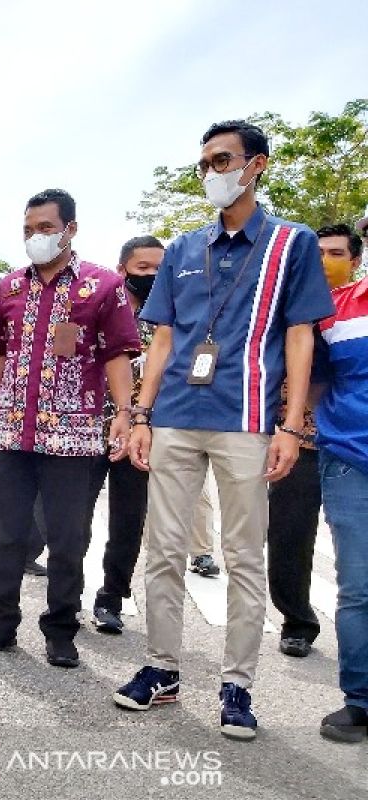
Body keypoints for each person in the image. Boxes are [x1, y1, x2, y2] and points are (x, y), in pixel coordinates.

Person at [115, 120, 334, 741]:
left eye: (223, 160)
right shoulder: (184, 249)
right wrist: (140, 414)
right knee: (163, 551)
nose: (213, 172)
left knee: (243, 557)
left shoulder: (292, 244)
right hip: (176, 419)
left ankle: (237, 687)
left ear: (256, 165)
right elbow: (161, 337)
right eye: (205, 164)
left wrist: (291, 424)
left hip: (246, 423)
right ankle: (161, 671)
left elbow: (299, 336)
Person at [0, 189, 140, 669]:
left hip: (72, 437)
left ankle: (61, 628)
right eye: (28, 230)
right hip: (11, 432)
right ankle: (1, 622)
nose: (36, 237)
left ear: (71, 229)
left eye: (46, 228)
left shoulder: (101, 286)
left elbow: (116, 355)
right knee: (7, 534)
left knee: (68, 537)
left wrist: (125, 414)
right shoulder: (9, 288)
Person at [268, 223, 362, 658]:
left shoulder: (354, 309)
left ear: (356, 262)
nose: (326, 261)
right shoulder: (288, 307)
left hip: (344, 442)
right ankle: (297, 619)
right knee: (289, 533)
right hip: (296, 440)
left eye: (337, 253)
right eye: (319, 252)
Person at [85, 235, 164, 634]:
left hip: (142, 435)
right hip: (89, 431)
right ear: (123, 270)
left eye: (158, 269)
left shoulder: (169, 324)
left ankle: (111, 598)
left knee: (128, 521)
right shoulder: (98, 313)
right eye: (142, 268)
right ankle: (66, 594)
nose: (151, 276)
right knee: (72, 517)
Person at [311, 234, 368, 742]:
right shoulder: (337, 310)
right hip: (352, 461)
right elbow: (314, 381)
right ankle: (361, 701)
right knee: (359, 588)